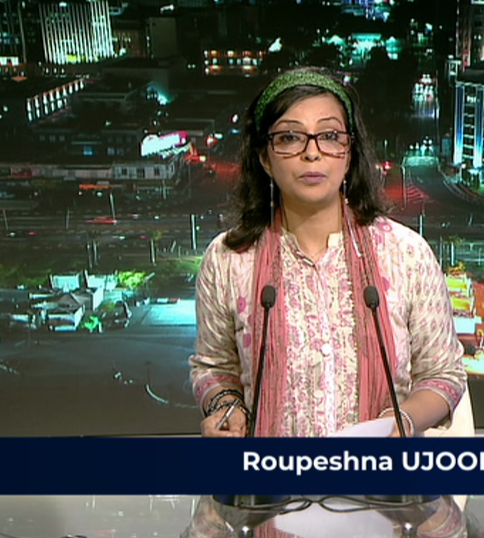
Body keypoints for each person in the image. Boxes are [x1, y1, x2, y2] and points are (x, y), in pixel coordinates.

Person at [189, 67, 467, 439]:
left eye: (330, 136)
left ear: (349, 153)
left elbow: (443, 375)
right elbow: (214, 368)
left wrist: (403, 422)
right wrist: (227, 407)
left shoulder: (406, 254)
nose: (312, 153)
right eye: (290, 137)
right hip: (271, 473)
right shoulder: (228, 259)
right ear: (265, 158)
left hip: (378, 471)